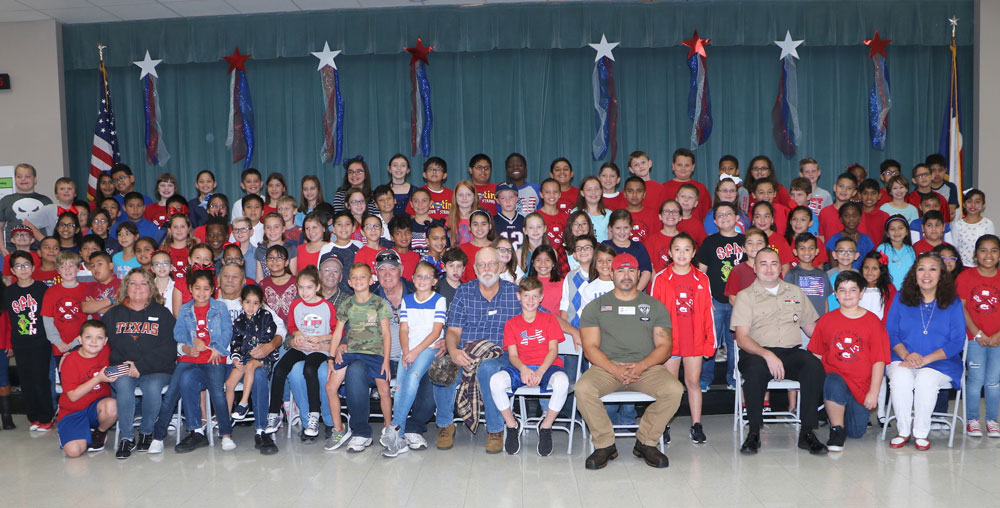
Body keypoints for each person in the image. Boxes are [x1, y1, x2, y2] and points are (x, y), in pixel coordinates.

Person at [576, 253, 683, 469]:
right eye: (621, 271)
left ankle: (646, 441)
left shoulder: (655, 306)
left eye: (631, 270)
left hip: (647, 367)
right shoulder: (595, 307)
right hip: (606, 367)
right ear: (611, 274)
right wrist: (614, 369)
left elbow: (665, 347)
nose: (626, 275)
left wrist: (642, 366)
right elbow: (590, 348)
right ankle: (605, 445)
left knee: (674, 390)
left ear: (638, 274)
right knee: (583, 389)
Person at [731, 248, 827, 455]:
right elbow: (742, 338)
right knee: (755, 372)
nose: (769, 268)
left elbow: (813, 330)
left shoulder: (795, 292)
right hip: (757, 353)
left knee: (813, 366)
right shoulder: (745, 296)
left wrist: (828, 349)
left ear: (781, 267)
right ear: (755, 268)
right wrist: (767, 354)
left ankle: (807, 432)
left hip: (790, 352)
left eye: (774, 263)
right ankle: (754, 433)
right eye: (763, 264)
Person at [434, 247, 523, 452]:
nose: (487, 269)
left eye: (492, 263)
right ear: (474, 269)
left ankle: (495, 429)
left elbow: (542, 315)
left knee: (488, 369)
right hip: (465, 352)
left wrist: (574, 331)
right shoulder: (464, 292)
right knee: (441, 367)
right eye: (481, 265)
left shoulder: (514, 293)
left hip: (500, 355)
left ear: (500, 266)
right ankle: (445, 425)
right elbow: (453, 330)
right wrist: (454, 352)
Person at [148, 269, 235, 454]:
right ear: (190, 289)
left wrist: (218, 348)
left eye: (206, 289)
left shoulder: (220, 307)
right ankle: (159, 436)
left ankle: (226, 434)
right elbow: (177, 333)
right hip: (190, 358)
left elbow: (228, 331)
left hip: (214, 358)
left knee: (217, 393)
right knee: (172, 391)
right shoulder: (186, 308)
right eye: (197, 288)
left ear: (213, 290)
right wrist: (191, 341)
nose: (201, 293)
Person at [885, 252, 965, 450]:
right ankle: (903, 430)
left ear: (941, 274)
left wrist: (925, 360)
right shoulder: (900, 298)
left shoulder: (953, 303)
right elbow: (891, 332)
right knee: (901, 377)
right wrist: (906, 355)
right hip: (903, 357)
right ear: (914, 273)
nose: (926, 274)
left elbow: (957, 341)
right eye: (921, 268)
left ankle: (921, 432)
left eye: (933, 269)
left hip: (941, 362)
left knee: (925, 379)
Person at [807, 271, 889, 451]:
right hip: (836, 378)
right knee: (834, 381)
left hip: (861, 386)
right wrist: (820, 384)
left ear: (861, 293)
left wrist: (873, 392)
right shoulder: (826, 320)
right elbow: (817, 355)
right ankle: (836, 429)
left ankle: (838, 414)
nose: (847, 294)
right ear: (835, 294)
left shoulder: (873, 322)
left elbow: (879, 360)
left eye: (853, 290)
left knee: (856, 432)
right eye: (842, 290)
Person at [489, 276, 570, 456]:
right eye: (526, 296)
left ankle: (546, 426)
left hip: (548, 367)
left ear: (541, 298)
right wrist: (524, 369)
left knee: (562, 382)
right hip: (522, 367)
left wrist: (540, 371)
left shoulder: (549, 319)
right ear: (519, 297)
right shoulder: (511, 324)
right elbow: (512, 355)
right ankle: (512, 425)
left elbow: (553, 350)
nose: (531, 301)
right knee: (495, 381)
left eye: (534, 296)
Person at [100, 267, 177, 458]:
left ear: (150, 288)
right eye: (133, 283)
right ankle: (126, 437)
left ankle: (146, 432)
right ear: (126, 287)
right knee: (124, 386)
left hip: (157, 369)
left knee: (152, 387)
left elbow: (168, 349)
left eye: (143, 283)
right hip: (123, 368)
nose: (138, 288)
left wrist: (140, 366)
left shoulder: (163, 314)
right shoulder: (113, 314)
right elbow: (100, 343)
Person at [649, 234, 716, 444]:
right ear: (669, 253)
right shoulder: (660, 278)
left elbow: (708, 312)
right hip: (670, 342)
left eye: (687, 249)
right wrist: (657, 343)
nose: (682, 254)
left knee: (693, 382)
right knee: (670, 385)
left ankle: (696, 425)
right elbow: (654, 314)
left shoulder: (702, 278)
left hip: (694, 339)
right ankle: (664, 424)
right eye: (677, 249)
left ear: (694, 253)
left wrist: (710, 342)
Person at [324, 262, 393, 453]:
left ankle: (388, 428)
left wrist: (386, 360)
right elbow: (338, 333)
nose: (358, 280)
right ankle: (339, 429)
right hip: (352, 352)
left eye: (363, 276)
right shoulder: (347, 303)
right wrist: (331, 358)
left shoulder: (379, 303)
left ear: (371, 280)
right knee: (330, 387)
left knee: (384, 390)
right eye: (354, 277)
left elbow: (387, 334)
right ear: (349, 282)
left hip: (375, 353)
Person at [381, 261, 446, 457]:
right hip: (409, 349)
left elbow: (436, 332)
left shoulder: (439, 300)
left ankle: (394, 427)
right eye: (419, 276)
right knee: (400, 385)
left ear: (434, 281)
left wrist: (415, 351)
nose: (422, 280)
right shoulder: (407, 300)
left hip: (428, 348)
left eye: (427, 277)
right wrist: (406, 350)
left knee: (413, 377)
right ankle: (397, 439)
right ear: (413, 278)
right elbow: (404, 328)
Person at [265, 267, 336, 441]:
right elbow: (292, 328)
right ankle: (273, 414)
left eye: (309, 287)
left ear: (318, 287)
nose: (304, 292)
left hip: (319, 348)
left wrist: (319, 339)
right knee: (280, 369)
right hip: (301, 347)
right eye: (301, 287)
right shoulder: (296, 304)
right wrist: (296, 336)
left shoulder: (327, 306)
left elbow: (336, 332)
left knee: (310, 369)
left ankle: (313, 415)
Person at [3, 250, 53, 432]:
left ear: (33, 267)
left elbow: (49, 316)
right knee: (26, 380)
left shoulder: (42, 288)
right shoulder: (9, 292)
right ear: (12, 271)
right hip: (20, 342)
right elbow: (8, 320)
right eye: (18, 266)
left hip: (40, 341)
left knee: (40, 379)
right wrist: (9, 343)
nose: (23, 269)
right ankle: (33, 417)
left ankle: (47, 417)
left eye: (26, 265)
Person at [55, 319, 119, 457]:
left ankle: (99, 432)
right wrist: (98, 379)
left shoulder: (106, 351)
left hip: (96, 408)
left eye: (99, 337)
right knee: (73, 452)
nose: (94, 341)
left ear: (105, 340)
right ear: (80, 339)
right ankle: (68, 431)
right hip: (73, 410)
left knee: (113, 406)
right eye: (88, 337)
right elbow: (73, 396)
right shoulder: (70, 361)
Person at [957, 235, 1000, 437]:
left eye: (994, 250)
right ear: (975, 254)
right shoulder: (966, 277)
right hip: (974, 339)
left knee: (993, 381)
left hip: (998, 340)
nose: (988, 255)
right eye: (983, 250)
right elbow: (962, 308)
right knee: (975, 380)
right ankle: (972, 419)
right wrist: (977, 333)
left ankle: (992, 420)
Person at [0, 163, 52, 253]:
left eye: (27, 176)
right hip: (12, 250)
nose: (23, 179)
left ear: (35, 179)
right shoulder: (6, 200)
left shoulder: (46, 201)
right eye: (19, 176)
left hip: (40, 251)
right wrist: (2, 248)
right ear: (15, 179)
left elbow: (51, 227)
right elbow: (0, 227)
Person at [953, 189, 994, 267]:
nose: (973, 205)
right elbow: (955, 248)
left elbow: (990, 246)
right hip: (963, 266)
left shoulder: (988, 224)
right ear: (964, 204)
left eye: (977, 202)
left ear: (983, 205)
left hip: (982, 266)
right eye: (969, 201)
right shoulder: (957, 225)